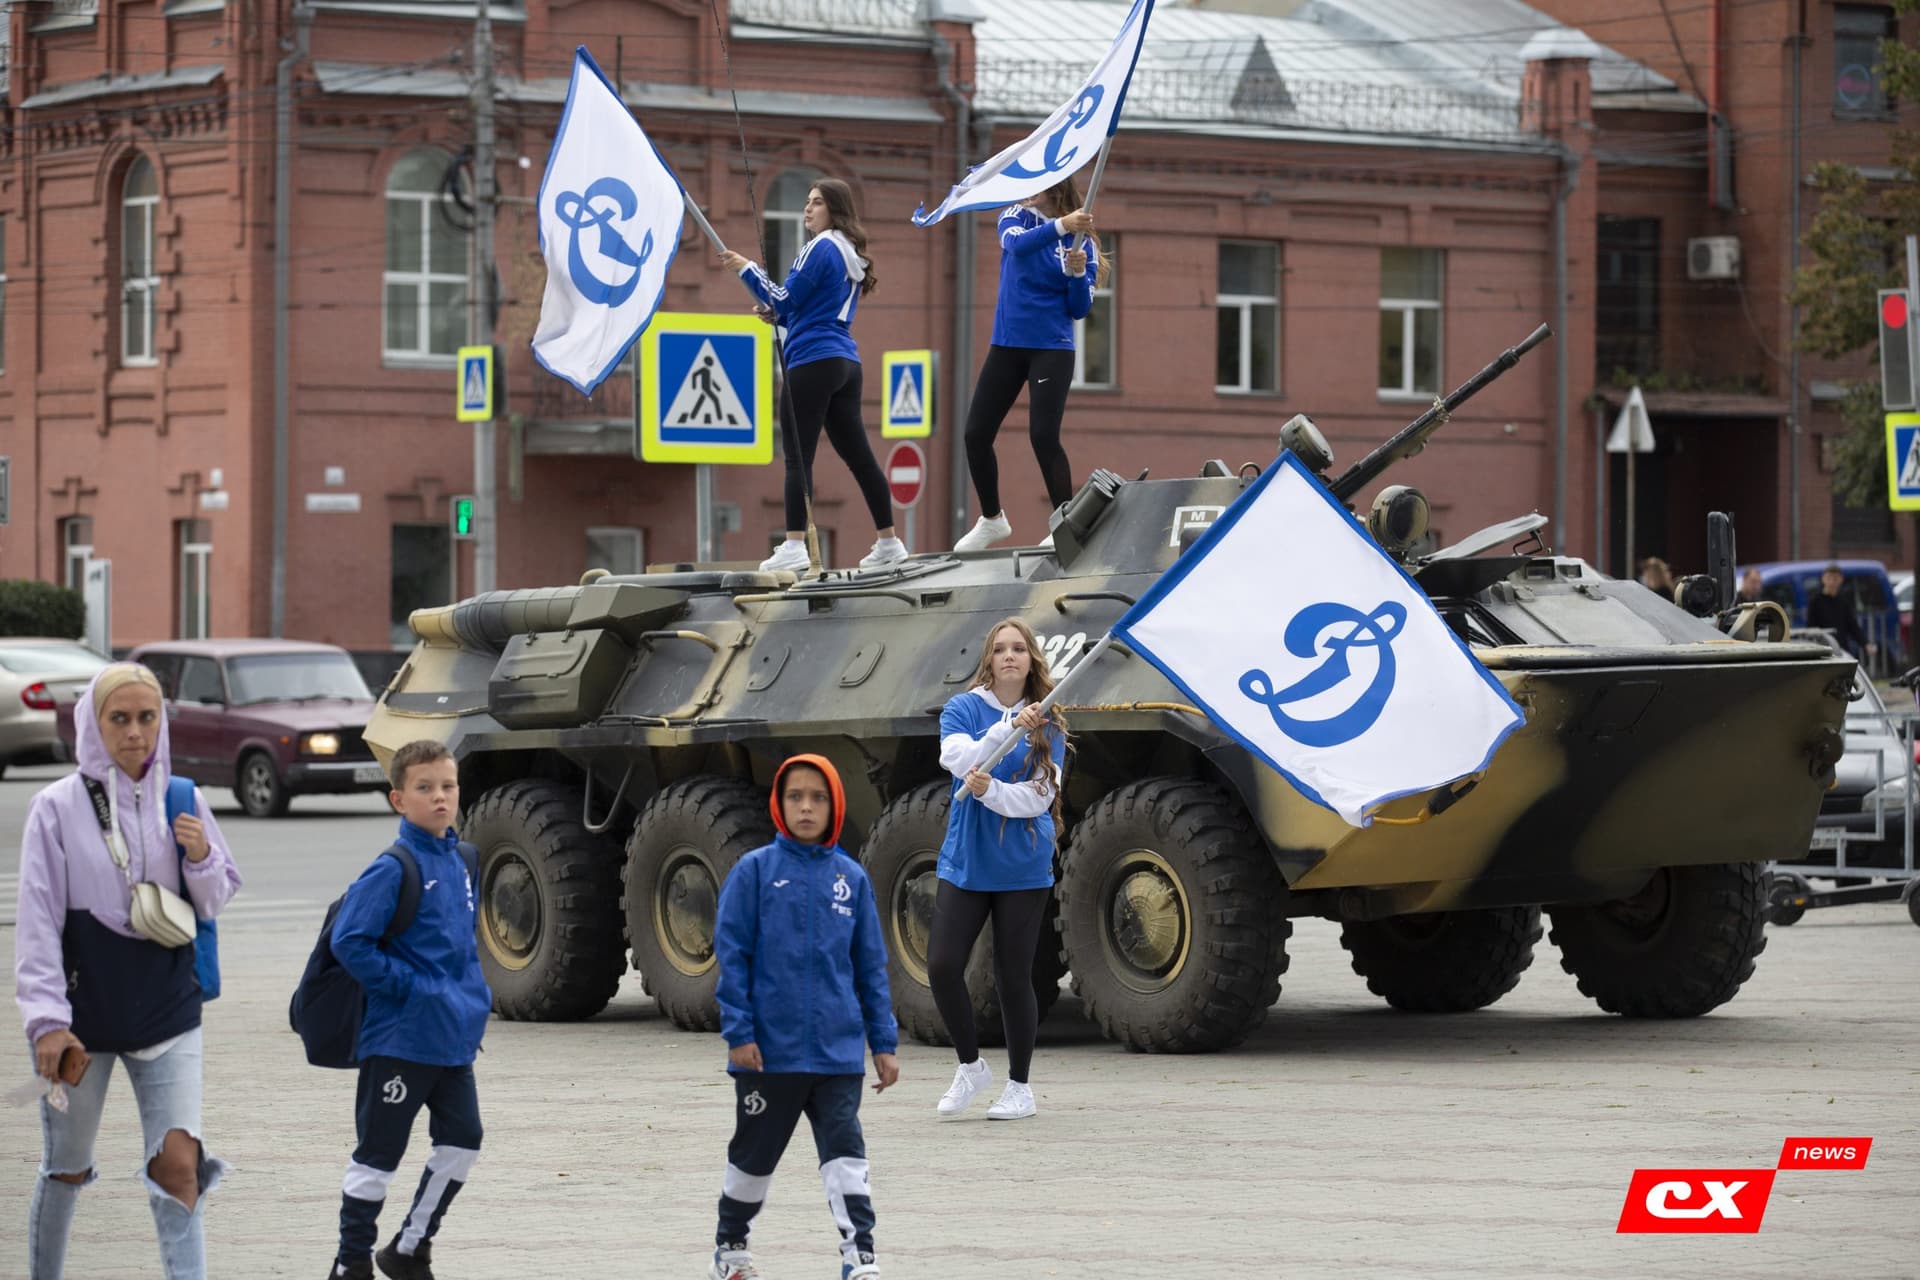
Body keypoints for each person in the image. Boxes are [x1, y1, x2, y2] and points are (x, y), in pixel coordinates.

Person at [14, 663, 242, 1280]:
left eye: (147, 717)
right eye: (120, 718)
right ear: (94, 722)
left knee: (179, 1165)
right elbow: (36, 924)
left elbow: (215, 900)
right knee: (66, 1166)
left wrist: (198, 856)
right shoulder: (55, 808)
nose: (135, 732)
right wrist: (47, 1025)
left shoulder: (184, 797)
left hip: (168, 1005)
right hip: (82, 1017)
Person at [710, 754, 898, 1280]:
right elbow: (732, 956)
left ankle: (860, 1254)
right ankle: (730, 1248)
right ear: (779, 803)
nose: (807, 807)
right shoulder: (754, 873)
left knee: (846, 1154)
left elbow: (870, 968)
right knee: (754, 1158)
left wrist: (883, 1044)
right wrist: (739, 1033)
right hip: (770, 1056)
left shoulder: (852, 879)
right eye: (796, 796)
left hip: (838, 1055)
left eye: (818, 797)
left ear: (835, 803)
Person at [327, 740, 490, 1280]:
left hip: (453, 1038)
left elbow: (460, 945)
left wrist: (467, 1001)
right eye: (425, 788)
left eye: (447, 786)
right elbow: (350, 942)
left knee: (464, 1140)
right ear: (399, 799)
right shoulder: (392, 868)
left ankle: (409, 1247)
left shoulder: (465, 858)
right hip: (400, 1038)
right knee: (379, 1155)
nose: (439, 797)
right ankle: (351, 1263)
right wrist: (412, 989)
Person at [721, 179, 905, 574]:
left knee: (797, 458)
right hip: (845, 364)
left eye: (816, 203)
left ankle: (793, 545)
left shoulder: (819, 247)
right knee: (859, 457)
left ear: (834, 210)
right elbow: (797, 308)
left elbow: (783, 298)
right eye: (806, 202)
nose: (807, 209)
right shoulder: (849, 252)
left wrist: (747, 270)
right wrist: (780, 314)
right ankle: (889, 542)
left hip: (811, 361)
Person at [929, 617, 1069, 1121]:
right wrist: (1008, 727)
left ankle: (1020, 1087)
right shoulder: (962, 708)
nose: (1009, 656)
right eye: (1000, 649)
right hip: (967, 860)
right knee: (943, 966)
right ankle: (970, 1067)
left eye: (1019, 648)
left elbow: (1042, 794)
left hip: (1022, 866)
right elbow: (957, 757)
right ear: (988, 659)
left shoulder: (1050, 721)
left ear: (1031, 658)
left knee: (1014, 977)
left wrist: (994, 794)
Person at [953, 177, 1102, 552]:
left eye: (1039, 184)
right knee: (975, 433)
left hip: (1052, 346)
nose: (1028, 190)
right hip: (1007, 344)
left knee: (1043, 436)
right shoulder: (1017, 216)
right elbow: (1015, 246)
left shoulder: (1083, 244)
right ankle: (992, 520)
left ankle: (1066, 524)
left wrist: (1077, 273)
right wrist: (1061, 226)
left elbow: (1079, 309)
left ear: (1056, 189)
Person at [1807, 563, 1874, 662]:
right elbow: (1811, 627)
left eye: (1835, 578)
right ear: (1823, 579)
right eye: (1829, 578)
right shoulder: (1815, 601)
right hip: (1823, 649)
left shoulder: (1843, 601)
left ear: (1841, 580)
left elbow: (1852, 625)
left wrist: (1865, 644)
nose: (1832, 582)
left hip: (1842, 648)